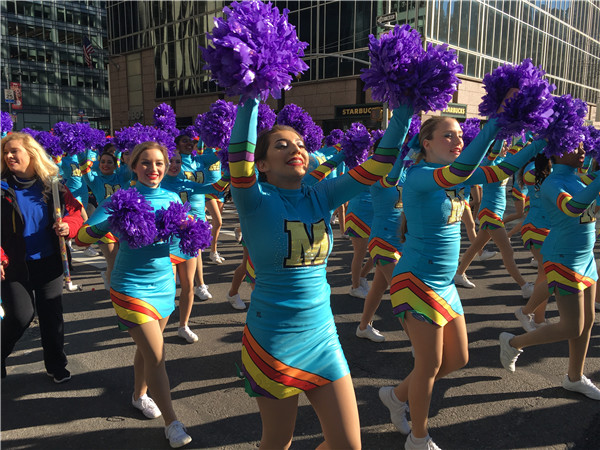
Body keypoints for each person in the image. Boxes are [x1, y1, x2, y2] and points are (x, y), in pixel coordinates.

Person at [231, 97, 413, 449]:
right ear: (263, 164)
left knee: (348, 445)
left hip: (323, 337)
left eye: (299, 144)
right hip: (273, 340)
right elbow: (239, 158)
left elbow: (377, 166)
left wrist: (404, 109)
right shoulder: (252, 199)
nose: (294, 149)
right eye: (281, 145)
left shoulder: (320, 195)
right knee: (278, 441)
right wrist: (251, 95)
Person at [381, 90, 544, 450]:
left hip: (444, 285)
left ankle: (394, 396)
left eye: (460, 136)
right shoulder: (421, 176)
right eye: (448, 135)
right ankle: (419, 437)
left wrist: (540, 141)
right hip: (416, 280)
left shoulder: (454, 176)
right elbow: (464, 169)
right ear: (426, 143)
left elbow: (500, 169)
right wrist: (495, 123)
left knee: (457, 359)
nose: (457, 140)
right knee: (428, 364)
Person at [76, 142, 192, 447]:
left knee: (147, 350)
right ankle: (173, 423)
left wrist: (191, 231)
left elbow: (180, 246)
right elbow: (81, 238)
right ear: (132, 165)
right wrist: (110, 222)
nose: (153, 169)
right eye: (146, 163)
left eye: (159, 163)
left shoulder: (171, 197)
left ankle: (139, 395)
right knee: (157, 354)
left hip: (164, 285)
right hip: (129, 286)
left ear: (166, 166)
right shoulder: (121, 198)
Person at [499, 143, 600, 401]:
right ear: (556, 150)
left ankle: (574, 378)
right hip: (563, 258)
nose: (581, 151)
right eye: (573, 146)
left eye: (582, 146)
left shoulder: (577, 179)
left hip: (585, 258)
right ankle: (513, 343)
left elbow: (590, 211)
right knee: (571, 327)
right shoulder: (552, 183)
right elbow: (572, 208)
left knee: (587, 323)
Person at [1, 132, 84, 382]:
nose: (9, 155)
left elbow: (76, 213)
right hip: (14, 264)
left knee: (51, 316)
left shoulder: (53, 184)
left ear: (31, 153)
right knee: (20, 316)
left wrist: (69, 225)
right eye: (5, 152)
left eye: (14, 151)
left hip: (49, 261)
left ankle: (56, 364)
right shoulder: (1, 186)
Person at [162, 149, 230, 341]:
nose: (174, 165)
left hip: (187, 241)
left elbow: (214, 189)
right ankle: (158, 329)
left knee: (188, 287)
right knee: (168, 291)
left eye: (177, 161)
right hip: (166, 244)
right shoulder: (158, 186)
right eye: (170, 161)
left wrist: (231, 172)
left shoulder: (186, 183)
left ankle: (183, 326)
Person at [453, 140, 535, 299]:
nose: (506, 147)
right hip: (490, 213)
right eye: (503, 145)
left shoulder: (503, 162)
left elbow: (518, 148)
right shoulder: (488, 162)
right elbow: (495, 149)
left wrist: (529, 134)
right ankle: (524, 286)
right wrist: (498, 135)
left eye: (506, 145)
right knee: (508, 251)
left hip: (494, 212)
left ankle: (459, 274)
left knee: (476, 245)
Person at [174, 134, 213, 300]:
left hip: (198, 213)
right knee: (179, 250)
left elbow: (221, 155)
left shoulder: (200, 160)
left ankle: (200, 285)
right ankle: (190, 285)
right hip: (179, 213)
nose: (189, 144)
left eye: (192, 141)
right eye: (184, 140)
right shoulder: (175, 160)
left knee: (197, 251)